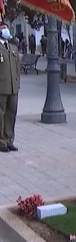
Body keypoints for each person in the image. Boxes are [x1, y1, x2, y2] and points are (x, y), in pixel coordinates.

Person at [0, 22, 20, 153]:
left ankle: (9, 139)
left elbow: (17, 67)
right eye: (2, 28)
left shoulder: (13, 48)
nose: (6, 30)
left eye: (6, 28)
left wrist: (18, 83)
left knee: (11, 114)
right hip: (1, 86)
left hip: (13, 87)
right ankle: (1, 141)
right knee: (0, 114)